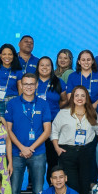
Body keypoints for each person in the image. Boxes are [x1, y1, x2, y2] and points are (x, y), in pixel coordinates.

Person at [5, 73, 52, 194]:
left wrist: (30, 149)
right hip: (16, 153)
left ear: (37, 85)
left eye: (32, 84)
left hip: (37, 153)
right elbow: (8, 130)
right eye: (26, 84)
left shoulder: (43, 104)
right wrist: (22, 148)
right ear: (21, 85)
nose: (29, 87)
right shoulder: (12, 103)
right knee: (14, 193)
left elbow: (47, 131)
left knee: (38, 192)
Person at [51, 86, 98, 194]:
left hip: (86, 154)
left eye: (83, 95)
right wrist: (57, 148)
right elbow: (54, 131)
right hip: (67, 153)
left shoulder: (92, 113)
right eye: (76, 95)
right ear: (72, 98)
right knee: (72, 187)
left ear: (87, 98)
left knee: (84, 187)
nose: (79, 98)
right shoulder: (63, 113)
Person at [36, 56, 66, 184]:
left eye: (48, 65)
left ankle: (52, 186)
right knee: (35, 156)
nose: (44, 67)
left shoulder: (58, 82)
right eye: (42, 65)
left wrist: (54, 110)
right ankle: (33, 184)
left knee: (52, 157)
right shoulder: (33, 82)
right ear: (38, 67)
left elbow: (65, 100)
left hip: (53, 124)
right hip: (35, 124)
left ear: (52, 67)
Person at [0, 44, 24, 115]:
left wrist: (21, 106)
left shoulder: (18, 72)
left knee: (12, 125)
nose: (7, 57)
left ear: (13, 56)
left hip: (12, 102)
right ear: (0, 55)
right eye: (4, 54)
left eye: (10, 54)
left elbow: (20, 92)